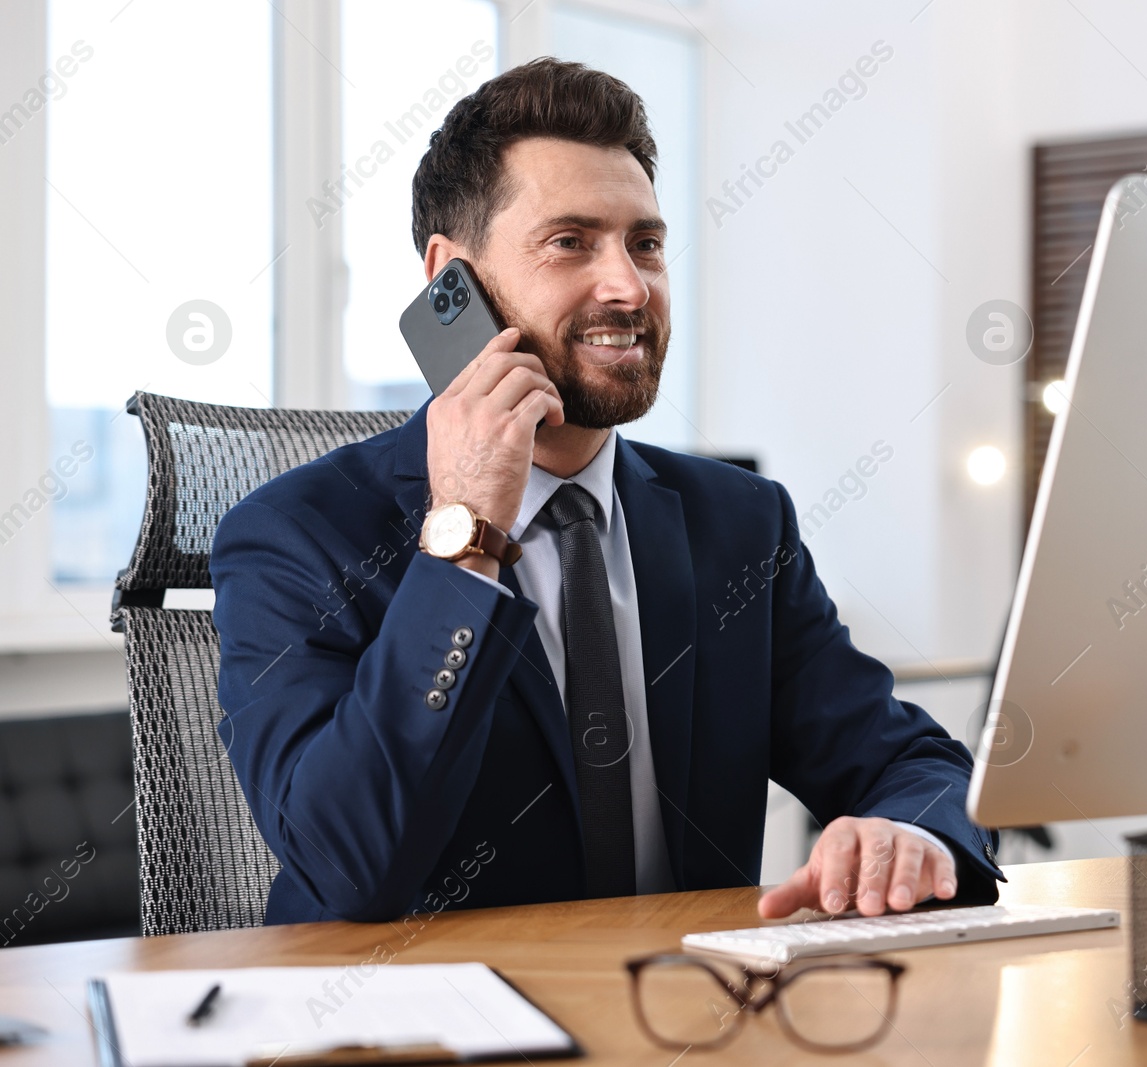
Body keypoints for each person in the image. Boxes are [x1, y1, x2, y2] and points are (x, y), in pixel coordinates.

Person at [211, 57, 1001, 925]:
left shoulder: (738, 523)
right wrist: (468, 535)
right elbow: (348, 868)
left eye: (647, 244)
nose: (629, 286)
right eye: (571, 242)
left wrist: (909, 831)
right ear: (451, 283)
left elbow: (914, 762)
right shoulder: (292, 535)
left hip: (693, 1027)